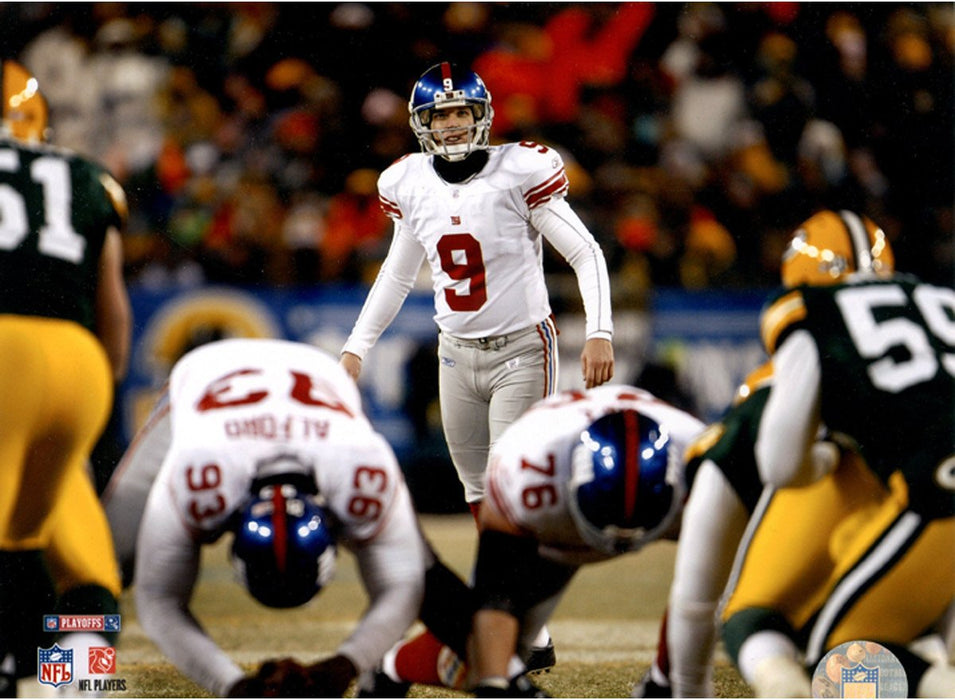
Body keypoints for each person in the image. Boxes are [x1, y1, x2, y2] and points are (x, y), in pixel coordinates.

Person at [111, 338, 478, 698]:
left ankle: (499, 674)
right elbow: (158, 600)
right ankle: (66, 667)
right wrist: (236, 685)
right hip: (210, 379)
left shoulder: (349, 462)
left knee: (422, 570)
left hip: (314, 388)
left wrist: (344, 665)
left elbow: (406, 583)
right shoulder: (202, 468)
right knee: (106, 557)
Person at [340, 61, 615, 519]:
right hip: (454, 353)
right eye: (440, 116)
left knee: (510, 481)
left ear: (481, 115)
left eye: (461, 113)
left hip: (523, 349)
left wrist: (599, 331)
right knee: (476, 491)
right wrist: (356, 347)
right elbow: (396, 274)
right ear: (422, 123)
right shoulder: (409, 183)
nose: (451, 125)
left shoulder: (520, 170)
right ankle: (499, 587)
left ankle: (521, 582)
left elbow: (586, 252)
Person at [734, 209, 955, 696]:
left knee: (838, 665)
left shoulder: (811, 312)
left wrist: (826, 460)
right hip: (931, 487)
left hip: (939, 489)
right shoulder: (941, 298)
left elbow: (780, 464)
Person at [633, 360, 890, 698]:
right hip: (838, 459)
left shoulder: (800, 346)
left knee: (715, 603)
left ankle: (680, 687)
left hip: (757, 448)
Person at [0, 59, 131, 696]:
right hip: (78, 367)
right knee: (78, 557)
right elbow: (115, 315)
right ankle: (73, 679)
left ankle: (14, 663)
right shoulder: (85, 176)